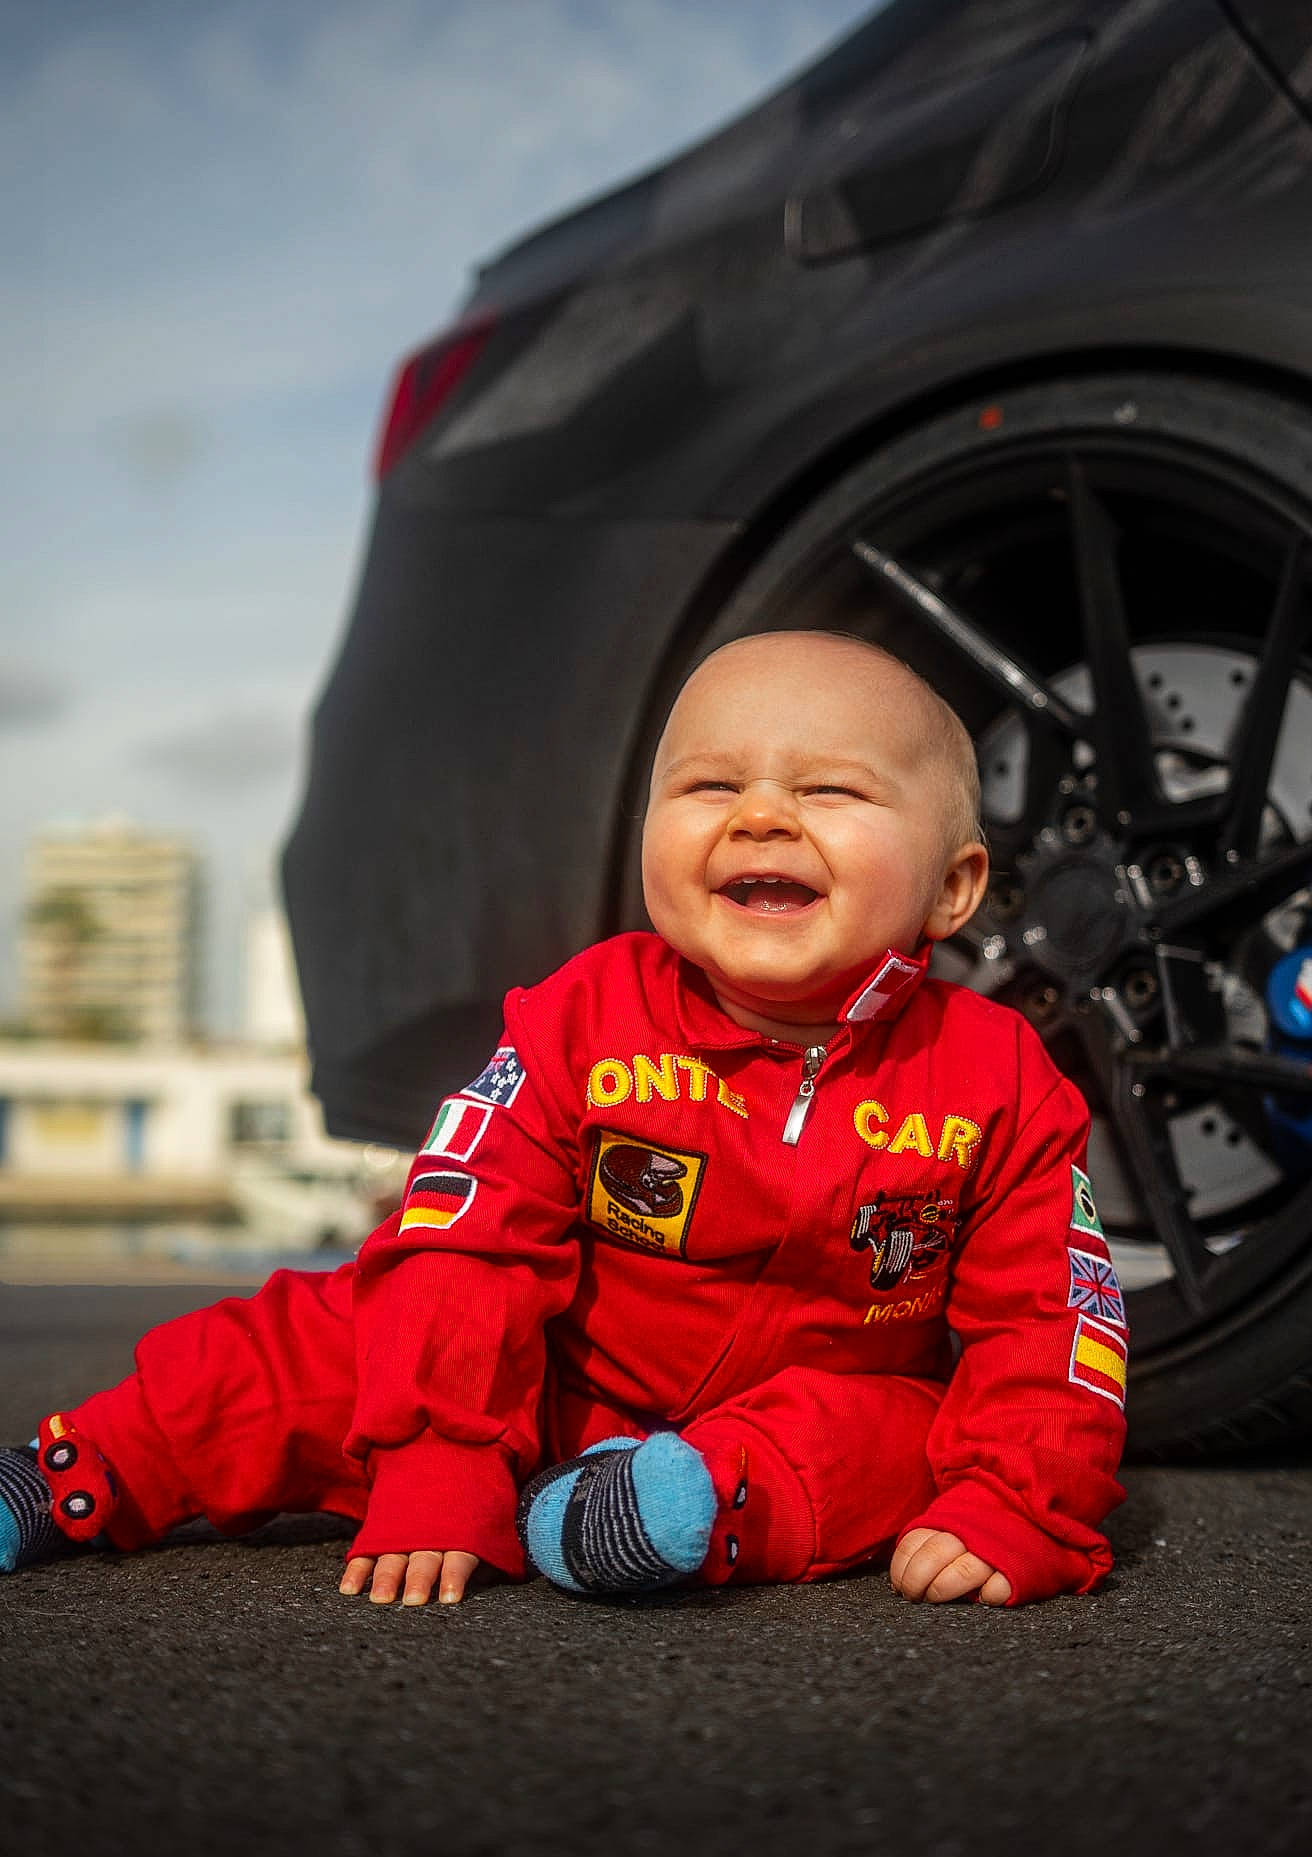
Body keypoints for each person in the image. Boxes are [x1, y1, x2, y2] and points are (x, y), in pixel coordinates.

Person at [0, 633, 1126, 1608]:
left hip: (790, 1421)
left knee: (902, 1440)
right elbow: (460, 1234)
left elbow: (1054, 1323)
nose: (762, 816)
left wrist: (1023, 1505)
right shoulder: (579, 1018)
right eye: (708, 787)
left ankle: (666, 1518)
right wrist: (440, 1454)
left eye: (829, 792)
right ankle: (81, 1467)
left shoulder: (998, 1079)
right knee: (314, 1343)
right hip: (541, 1380)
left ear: (954, 887)